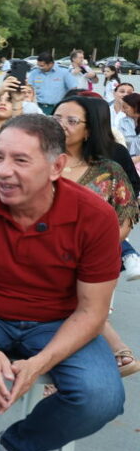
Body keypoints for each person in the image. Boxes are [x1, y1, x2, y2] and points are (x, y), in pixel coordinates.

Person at [0, 114, 125, 451]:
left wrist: (38, 364)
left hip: (58, 322)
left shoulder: (94, 215)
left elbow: (93, 311)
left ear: (57, 166)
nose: (3, 171)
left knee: (101, 397)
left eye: (20, 160)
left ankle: (18, 448)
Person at [53, 96, 140, 376]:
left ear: (88, 130)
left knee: (72, 285)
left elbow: (126, 217)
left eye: (71, 121)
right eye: (56, 118)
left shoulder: (108, 170)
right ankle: (117, 350)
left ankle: (63, 370)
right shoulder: (38, 161)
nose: (61, 125)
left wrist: (97, 250)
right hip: (40, 251)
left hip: (91, 255)